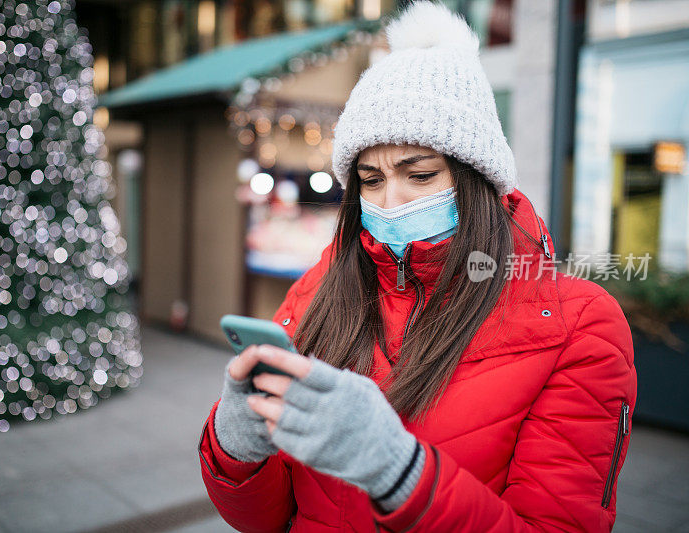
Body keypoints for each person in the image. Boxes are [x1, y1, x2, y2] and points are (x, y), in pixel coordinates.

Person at [198, 1, 637, 531]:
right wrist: (234, 450)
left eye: (422, 175)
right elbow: (266, 520)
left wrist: (400, 474)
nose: (390, 202)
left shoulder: (581, 325)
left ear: (475, 179)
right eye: (372, 179)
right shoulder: (319, 289)